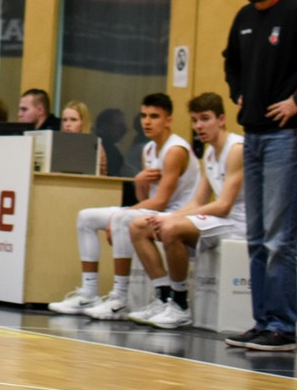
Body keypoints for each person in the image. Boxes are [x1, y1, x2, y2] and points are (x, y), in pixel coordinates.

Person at [222, 0, 297, 352]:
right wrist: (238, 91)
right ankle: (262, 321)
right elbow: (230, 62)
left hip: (285, 137)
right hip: (252, 135)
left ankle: (282, 327)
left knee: (278, 238)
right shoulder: (242, 18)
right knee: (256, 237)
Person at [47, 93, 199, 320]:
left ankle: (120, 298)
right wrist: (139, 182)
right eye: (144, 116)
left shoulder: (175, 150)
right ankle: (89, 293)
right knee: (85, 217)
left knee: (120, 218)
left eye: (155, 116)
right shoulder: (148, 149)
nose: (147, 122)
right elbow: (146, 196)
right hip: (156, 210)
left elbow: (161, 202)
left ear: (168, 120)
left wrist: (123, 213)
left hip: (176, 213)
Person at [127, 92, 245, 330]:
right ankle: (163, 298)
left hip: (240, 224)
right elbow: (197, 201)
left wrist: (173, 219)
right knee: (138, 225)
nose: (198, 126)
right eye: (194, 120)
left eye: (205, 119)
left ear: (221, 119)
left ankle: (180, 305)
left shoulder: (236, 149)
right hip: (220, 220)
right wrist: (168, 216)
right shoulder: (209, 153)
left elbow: (224, 205)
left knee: (170, 228)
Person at [63, 99, 108, 175]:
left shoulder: (95, 145)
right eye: (64, 120)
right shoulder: (57, 144)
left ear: (83, 122)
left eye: (73, 120)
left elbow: (102, 175)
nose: (67, 124)